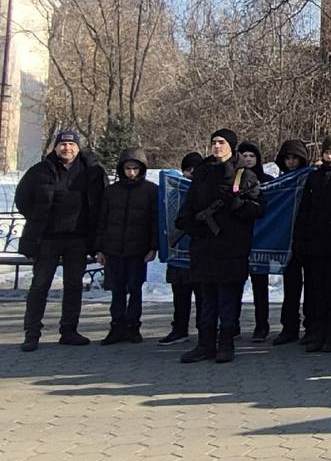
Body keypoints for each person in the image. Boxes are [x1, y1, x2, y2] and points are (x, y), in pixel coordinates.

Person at [175, 129, 263, 363]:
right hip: (205, 247)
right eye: (213, 142)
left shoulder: (243, 175)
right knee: (206, 300)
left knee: (227, 299)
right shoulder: (203, 171)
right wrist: (192, 223)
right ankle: (205, 344)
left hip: (231, 248)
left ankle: (226, 343)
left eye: (221, 143)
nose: (216, 146)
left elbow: (256, 209)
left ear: (231, 146)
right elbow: (190, 204)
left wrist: (236, 204)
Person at [15, 128, 107, 352]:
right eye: (62, 144)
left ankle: (69, 331)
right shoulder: (40, 171)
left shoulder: (92, 172)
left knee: (74, 286)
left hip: (78, 238)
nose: (67, 148)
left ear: (78, 147)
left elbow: (102, 203)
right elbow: (22, 199)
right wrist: (38, 219)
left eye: (71, 144)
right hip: (46, 239)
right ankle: (32, 333)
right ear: (55, 147)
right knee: (39, 286)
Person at [94, 147, 158, 345]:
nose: (131, 172)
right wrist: (100, 248)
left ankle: (133, 327)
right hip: (114, 248)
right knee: (117, 290)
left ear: (142, 169)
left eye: (135, 168)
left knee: (135, 290)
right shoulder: (112, 191)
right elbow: (102, 220)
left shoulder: (150, 191)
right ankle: (116, 326)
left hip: (138, 250)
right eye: (128, 168)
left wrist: (153, 247)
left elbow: (155, 221)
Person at [295, 132, 331, 353]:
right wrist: (300, 239)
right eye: (327, 151)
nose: (329, 155)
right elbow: (305, 210)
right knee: (315, 290)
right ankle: (316, 331)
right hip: (314, 243)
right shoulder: (315, 177)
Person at [159, 152, 205, 345]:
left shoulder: (206, 190)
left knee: (204, 297)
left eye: (195, 171)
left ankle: (205, 330)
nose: (191, 175)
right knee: (180, 296)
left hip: (201, 254)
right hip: (178, 255)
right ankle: (179, 328)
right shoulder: (174, 190)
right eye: (187, 170)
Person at [272, 138, 312, 345]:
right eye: (287, 158)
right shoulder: (280, 182)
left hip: (309, 239)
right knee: (291, 288)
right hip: (286, 241)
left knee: (313, 288)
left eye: (295, 158)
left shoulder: (310, 178)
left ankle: (311, 327)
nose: (291, 162)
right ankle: (289, 327)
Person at [235, 139, 272, 342]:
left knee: (260, 287)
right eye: (244, 156)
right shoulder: (233, 178)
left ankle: (262, 325)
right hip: (238, 239)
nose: (248, 160)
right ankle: (233, 324)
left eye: (251, 156)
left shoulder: (268, 180)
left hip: (262, 240)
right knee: (235, 285)